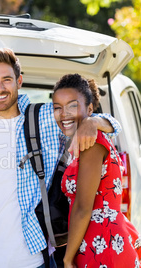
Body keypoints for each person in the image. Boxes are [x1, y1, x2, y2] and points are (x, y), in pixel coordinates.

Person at [0, 48, 122, 268]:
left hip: (31, 255)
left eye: (6, 79)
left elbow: (111, 125)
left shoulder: (45, 117)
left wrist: (92, 122)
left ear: (19, 81)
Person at [52, 74, 141, 268]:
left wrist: (67, 259)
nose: (64, 113)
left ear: (90, 109)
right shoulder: (84, 142)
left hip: (103, 244)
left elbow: (83, 207)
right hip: (94, 241)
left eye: (73, 105)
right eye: (57, 107)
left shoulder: (92, 143)